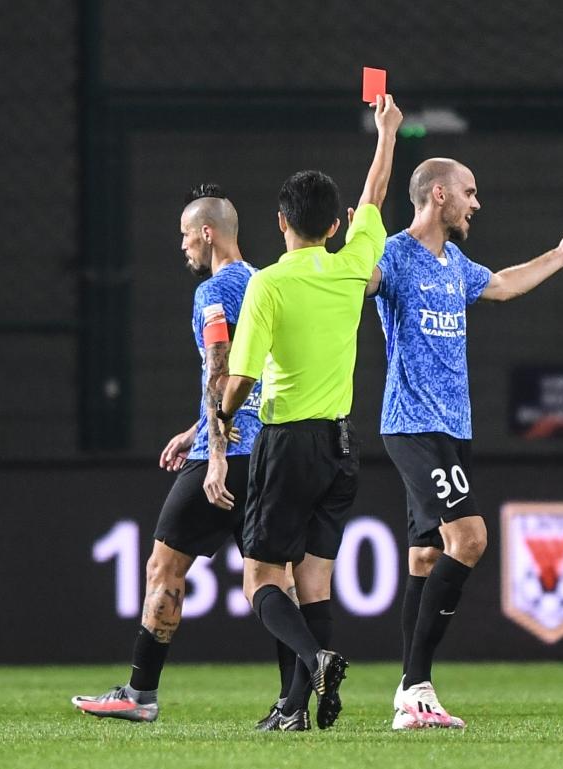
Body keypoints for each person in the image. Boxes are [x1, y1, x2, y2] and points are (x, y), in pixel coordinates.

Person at [367, 157, 563, 729]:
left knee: (427, 556)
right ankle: (415, 686)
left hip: (454, 430)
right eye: (469, 192)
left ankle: (410, 693)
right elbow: (362, 278)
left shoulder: (454, 263)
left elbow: (500, 284)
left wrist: (561, 256)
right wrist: (363, 226)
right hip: (413, 424)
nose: (476, 203)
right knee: (470, 537)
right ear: (439, 195)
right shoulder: (395, 256)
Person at [213, 94, 403, 732]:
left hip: (287, 441)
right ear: (336, 224)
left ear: (280, 222)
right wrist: (386, 132)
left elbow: (241, 378)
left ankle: (314, 658)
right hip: (342, 447)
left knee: (261, 578)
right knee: (314, 582)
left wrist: (221, 416)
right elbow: (375, 196)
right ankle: (296, 705)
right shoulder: (352, 267)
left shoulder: (268, 282)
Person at [72, 185, 292, 727]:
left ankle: (140, 693)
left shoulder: (213, 293)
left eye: (186, 235)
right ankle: (295, 701)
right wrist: (195, 426)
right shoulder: (266, 283)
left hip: (225, 453)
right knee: (272, 579)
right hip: (268, 451)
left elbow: (220, 374)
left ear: (208, 234)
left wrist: (213, 452)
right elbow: (255, 376)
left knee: (164, 566)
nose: (183, 245)